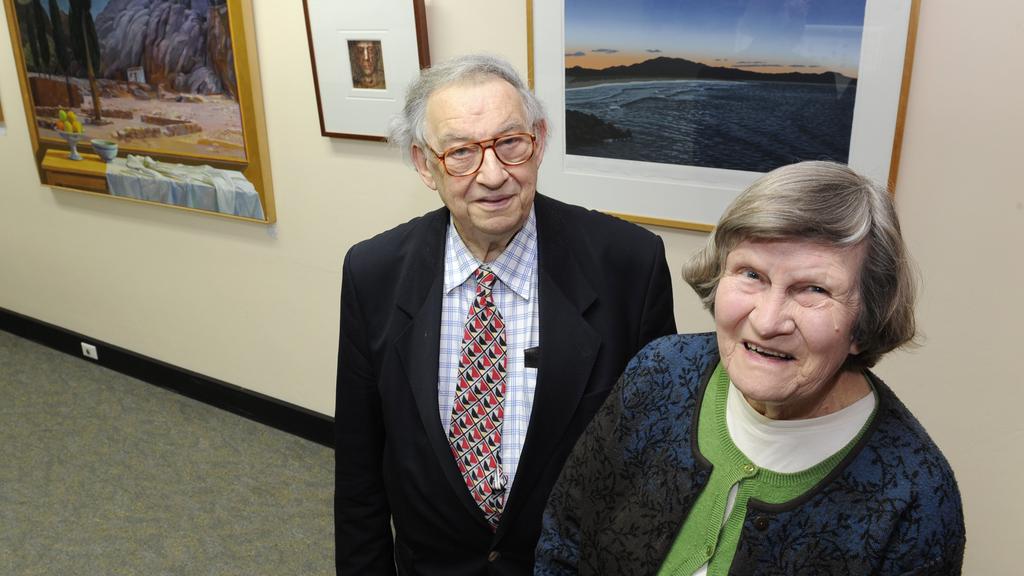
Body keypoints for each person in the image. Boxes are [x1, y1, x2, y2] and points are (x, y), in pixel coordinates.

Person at [535, 161, 966, 575]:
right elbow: (565, 537)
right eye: (751, 275)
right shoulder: (658, 372)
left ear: (864, 321)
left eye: (813, 289)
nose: (766, 321)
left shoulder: (914, 497)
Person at [335, 54, 676, 575]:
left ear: (538, 140)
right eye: (462, 153)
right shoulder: (373, 273)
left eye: (509, 144)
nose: (493, 175)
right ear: (425, 164)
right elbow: (360, 474)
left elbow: (651, 461)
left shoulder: (629, 265)